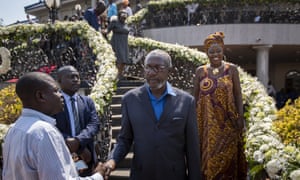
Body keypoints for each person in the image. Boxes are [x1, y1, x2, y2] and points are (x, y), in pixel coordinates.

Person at [104, 49, 201, 180]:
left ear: (169, 72)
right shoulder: (130, 99)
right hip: (141, 175)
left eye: (158, 68)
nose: (151, 73)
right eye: (148, 67)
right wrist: (112, 160)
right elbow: (124, 139)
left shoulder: (186, 101)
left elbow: (192, 148)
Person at [2, 72, 106, 180]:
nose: (61, 95)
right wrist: (98, 175)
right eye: (56, 91)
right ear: (40, 96)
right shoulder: (44, 132)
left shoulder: (13, 129)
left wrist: (72, 166)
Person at [194, 32, 247, 179]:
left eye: (218, 51)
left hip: (228, 121)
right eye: (211, 51)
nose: (215, 54)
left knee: (229, 156)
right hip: (206, 124)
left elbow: (238, 94)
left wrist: (240, 116)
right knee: (208, 155)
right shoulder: (200, 71)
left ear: (223, 50)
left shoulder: (232, 69)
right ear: (207, 53)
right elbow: (195, 97)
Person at [53, 65, 100, 176]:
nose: (75, 80)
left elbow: (94, 124)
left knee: (85, 175)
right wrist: (78, 150)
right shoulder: (54, 102)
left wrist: (78, 142)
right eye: (71, 77)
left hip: (87, 156)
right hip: (65, 154)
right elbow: (53, 127)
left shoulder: (87, 101)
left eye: (77, 77)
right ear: (59, 81)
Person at [103, 10, 131, 79]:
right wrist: (104, 33)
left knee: (124, 60)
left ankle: (121, 74)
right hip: (117, 43)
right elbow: (108, 30)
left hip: (124, 44)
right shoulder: (115, 22)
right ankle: (117, 75)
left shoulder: (126, 24)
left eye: (125, 17)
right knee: (119, 59)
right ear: (119, 16)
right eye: (122, 16)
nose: (124, 18)